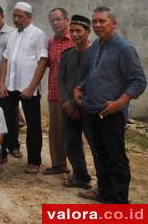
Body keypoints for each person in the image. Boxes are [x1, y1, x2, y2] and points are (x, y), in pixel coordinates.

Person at [75, 7, 146, 204]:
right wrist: (81, 87)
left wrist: (119, 103)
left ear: (113, 23)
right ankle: (104, 190)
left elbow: (139, 81)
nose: (97, 25)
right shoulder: (97, 45)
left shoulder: (124, 48)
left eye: (102, 21)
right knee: (99, 153)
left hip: (111, 112)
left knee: (116, 157)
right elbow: (94, 73)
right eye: (94, 21)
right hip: (92, 109)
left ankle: (119, 199)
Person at [0, 2, 48, 172]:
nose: (17, 19)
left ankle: (34, 161)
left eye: (20, 16)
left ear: (29, 17)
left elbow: (42, 61)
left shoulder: (38, 34)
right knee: (3, 120)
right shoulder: (12, 35)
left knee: (33, 125)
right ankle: (2, 153)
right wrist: (2, 83)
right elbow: (5, 60)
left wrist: (31, 87)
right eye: (15, 16)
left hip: (28, 88)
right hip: (10, 86)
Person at [58, 15, 94, 190]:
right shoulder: (66, 55)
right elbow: (61, 80)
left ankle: (105, 183)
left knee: (96, 145)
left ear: (88, 31)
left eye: (78, 31)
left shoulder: (96, 54)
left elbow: (96, 81)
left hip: (88, 107)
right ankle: (80, 176)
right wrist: (67, 102)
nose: (74, 34)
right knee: (71, 144)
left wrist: (77, 103)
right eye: (71, 31)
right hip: (68, 108)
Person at [44, 7, 73, 175]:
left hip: (72, 96)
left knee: (73, 133)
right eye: (52, 20)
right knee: (55, 131)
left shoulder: (75, 40)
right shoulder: (51, 43)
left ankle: (78, 170)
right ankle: (58, 164)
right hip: (55, 93)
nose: (55, 23)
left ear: (66, 20)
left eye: (58, 19)